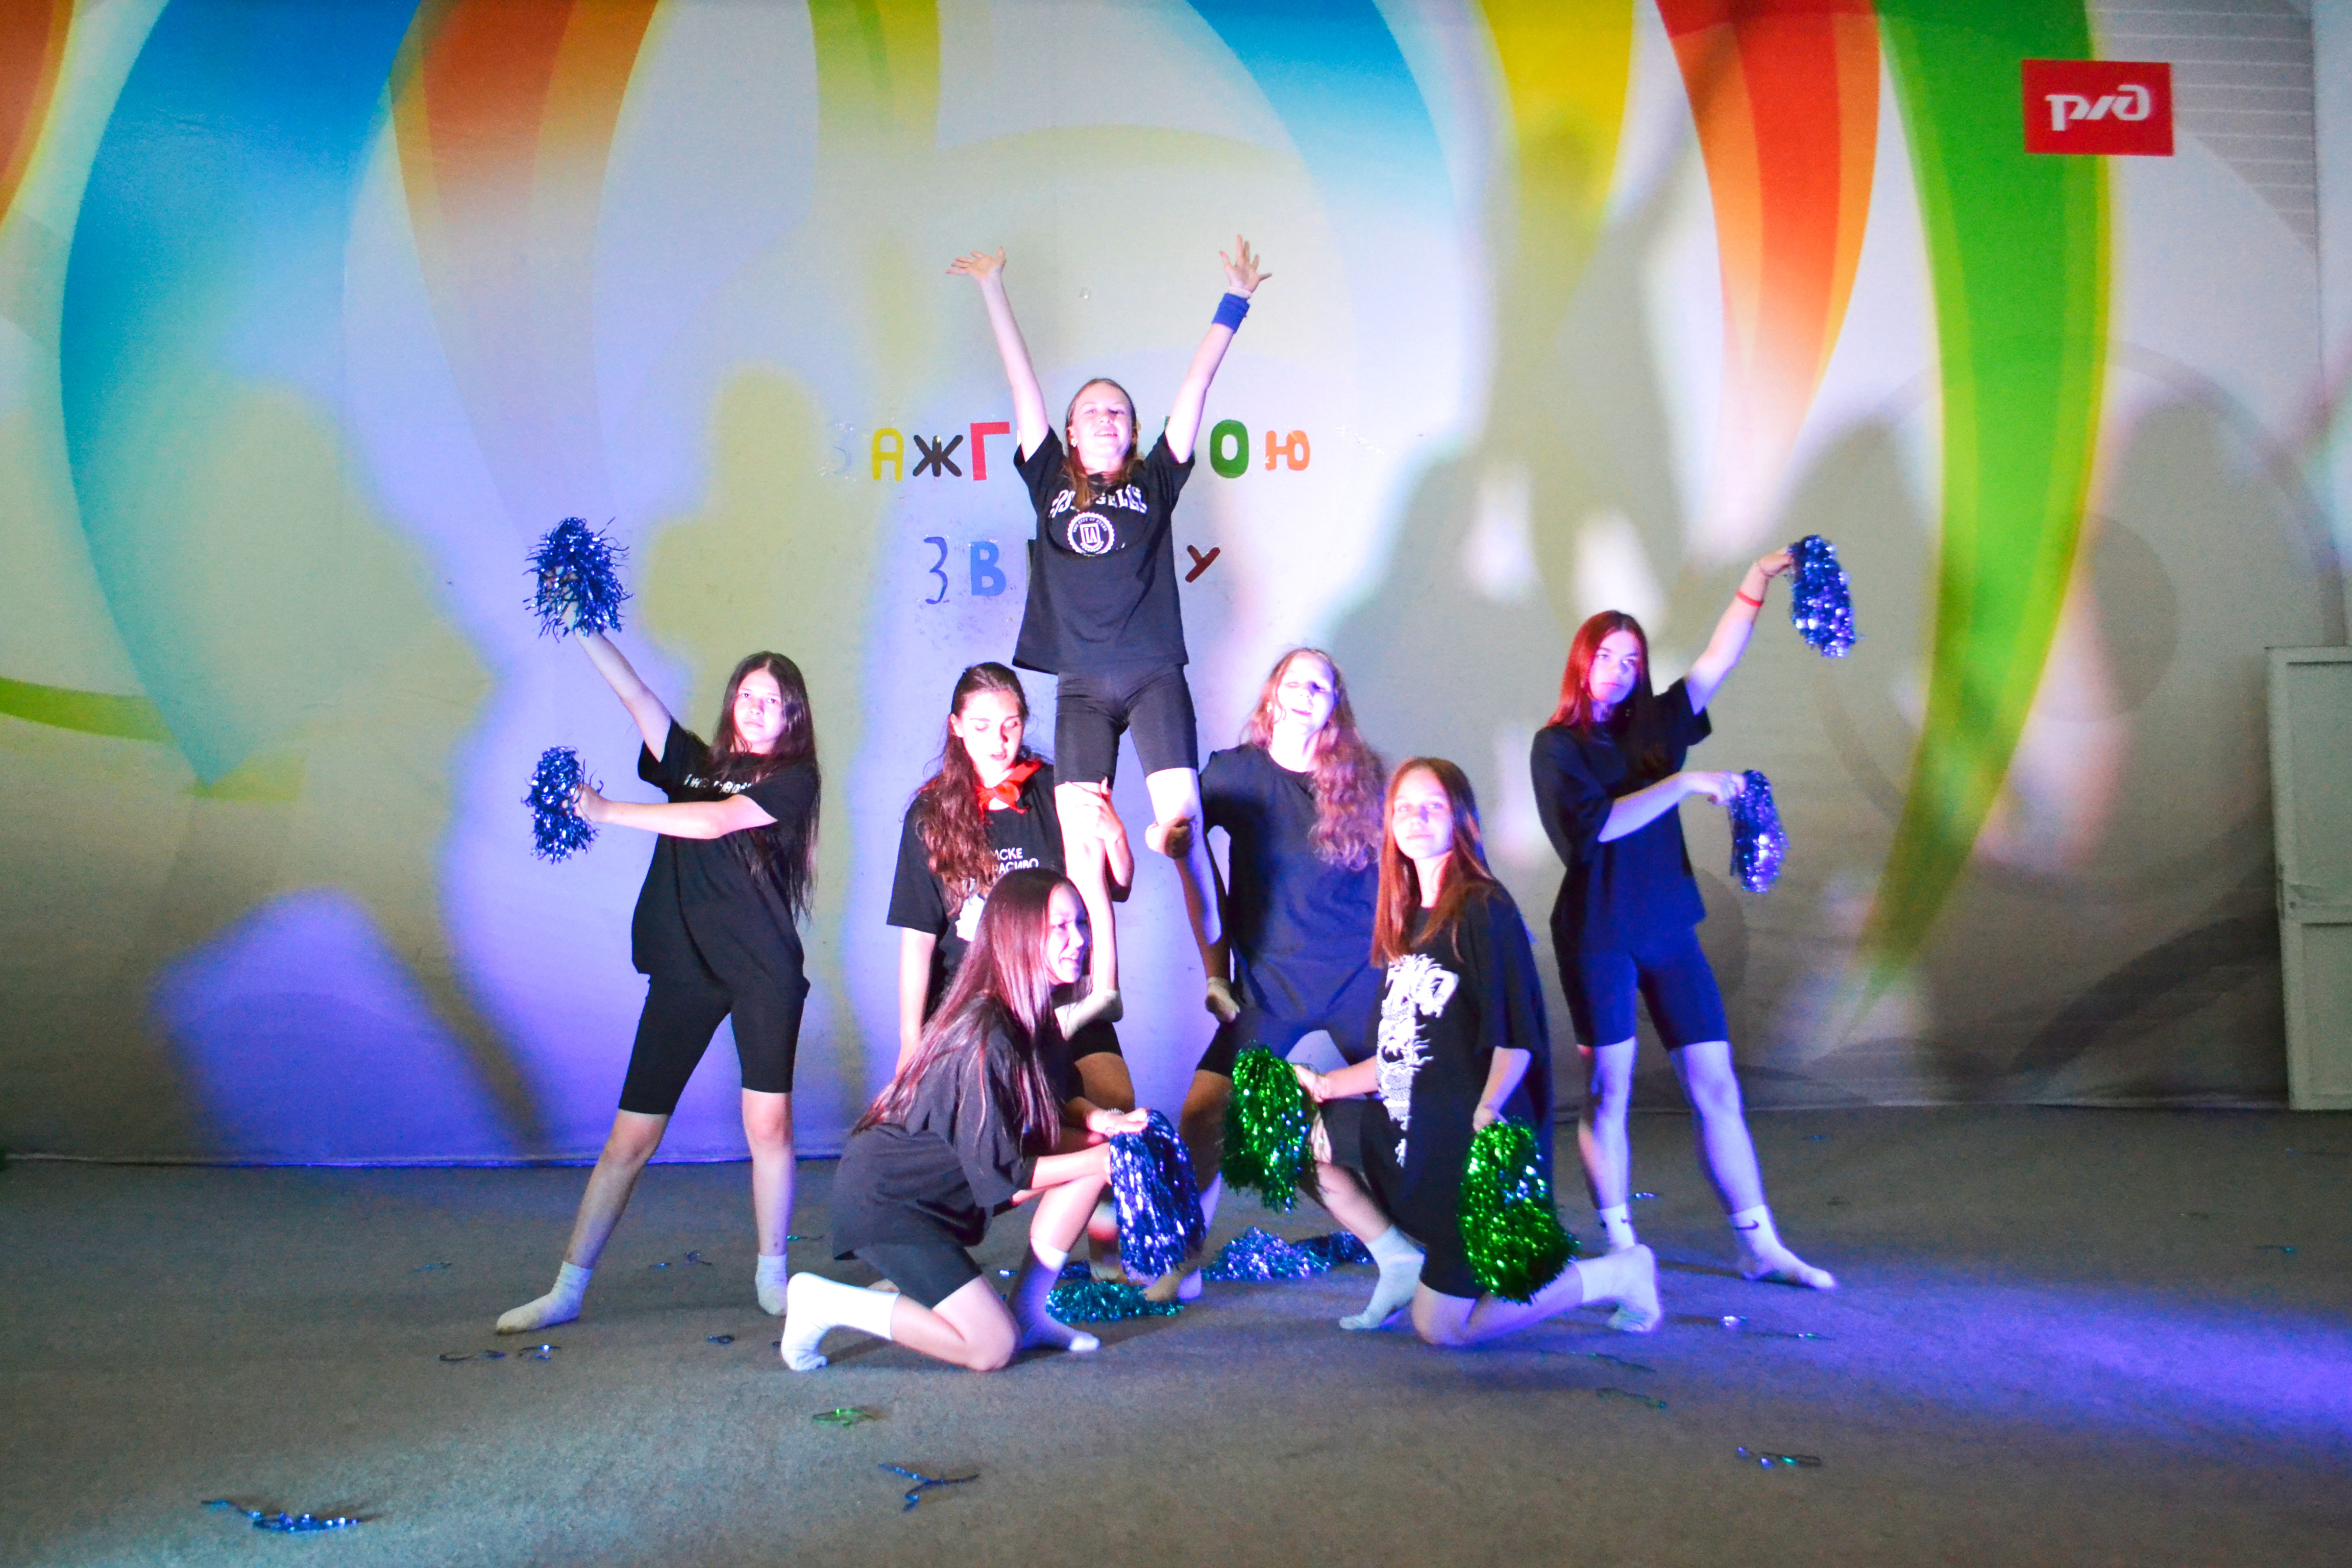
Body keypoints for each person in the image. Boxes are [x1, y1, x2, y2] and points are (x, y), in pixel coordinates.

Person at [949, 237, 1268, 999]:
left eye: (1117, 412)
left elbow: (1195, 387)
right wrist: (993, 286)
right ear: (1069, 430)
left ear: (1132, 430)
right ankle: (1103, 988)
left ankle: (1217, 976)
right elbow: (1022, 385)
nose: (1104, 419)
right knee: (1081, 843)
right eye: (1090, 411)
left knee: (1184, 827)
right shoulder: (1048, 479)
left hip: (1154, 676)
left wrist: (1234, 303)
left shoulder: (1156, 480)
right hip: (1083, 688)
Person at [1529, 556, 1835, 1290]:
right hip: (1599, 935)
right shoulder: (1558, 747)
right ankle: (1622, 1245)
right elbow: (1598, 829)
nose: (1619, 669)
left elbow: (1717, 660)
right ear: (1582, 662)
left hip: (1669, 927)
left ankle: (1759, 1245)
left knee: (1716, 1085)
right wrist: (1688, 782)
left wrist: (1758, 579)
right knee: (1610, 1090)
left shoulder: (1657, 727)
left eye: (1631, 660)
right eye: (1607, 656)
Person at [498, 638, 820, 1333]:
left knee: (769, 1126)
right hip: (685, 970)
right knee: (630, 1139)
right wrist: (586, 625)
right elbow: (637, 696)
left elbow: (713, 822)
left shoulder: (794, 781)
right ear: (732, 702)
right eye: (748, 695)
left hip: (761, 971)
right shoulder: (695, 766)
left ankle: (772, 1273)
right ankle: (566, 1290)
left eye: (773, 701)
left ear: (792, 715)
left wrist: (608, 811)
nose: (757, 708)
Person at [1297, 760, 1660, 1343]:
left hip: (1463, 1145)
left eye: (1433, 807)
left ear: (1460, 820)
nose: (1415, 819)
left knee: (1444, 1330)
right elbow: (1404, 1054)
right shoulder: (1405, 916)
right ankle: (1399, 1261)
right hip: (1409, 1128)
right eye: (1404, 808)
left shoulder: (1483, 907)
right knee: (1287, 1130)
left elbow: (1516, 1034)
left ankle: (1620, 1273)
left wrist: (1489, 1109)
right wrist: (1327, 1086)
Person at [782, 869, 1148, 1372]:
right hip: (893, 1202)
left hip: (956, 1180)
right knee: (991, 1348)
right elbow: (1005, 1174)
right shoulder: (985, 1035)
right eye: (1061, 927)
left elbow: (1063, 1097)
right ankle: (826, 1303)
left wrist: (1102, 1123)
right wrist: (1101, 1157)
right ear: (1018, 936)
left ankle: (1030, 1312)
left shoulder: (1033, 1010)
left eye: (1082, 923)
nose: (1080, 939)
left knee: (1095, 1155)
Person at [1152, 649, 1385, 1302]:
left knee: (1417, 1098)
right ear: (1274, 693)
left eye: (1322, 685)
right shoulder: (1236, 772)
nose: (1308, 692)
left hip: (1359, 976)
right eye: (1297, 680)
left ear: (1334, 705)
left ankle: (1431, 1245)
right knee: (1204, 1112)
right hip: (1270, 984)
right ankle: (1183, 1262)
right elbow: (1182, 837)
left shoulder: (1364, 778)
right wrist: (1163, 840)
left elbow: (1402, 870)